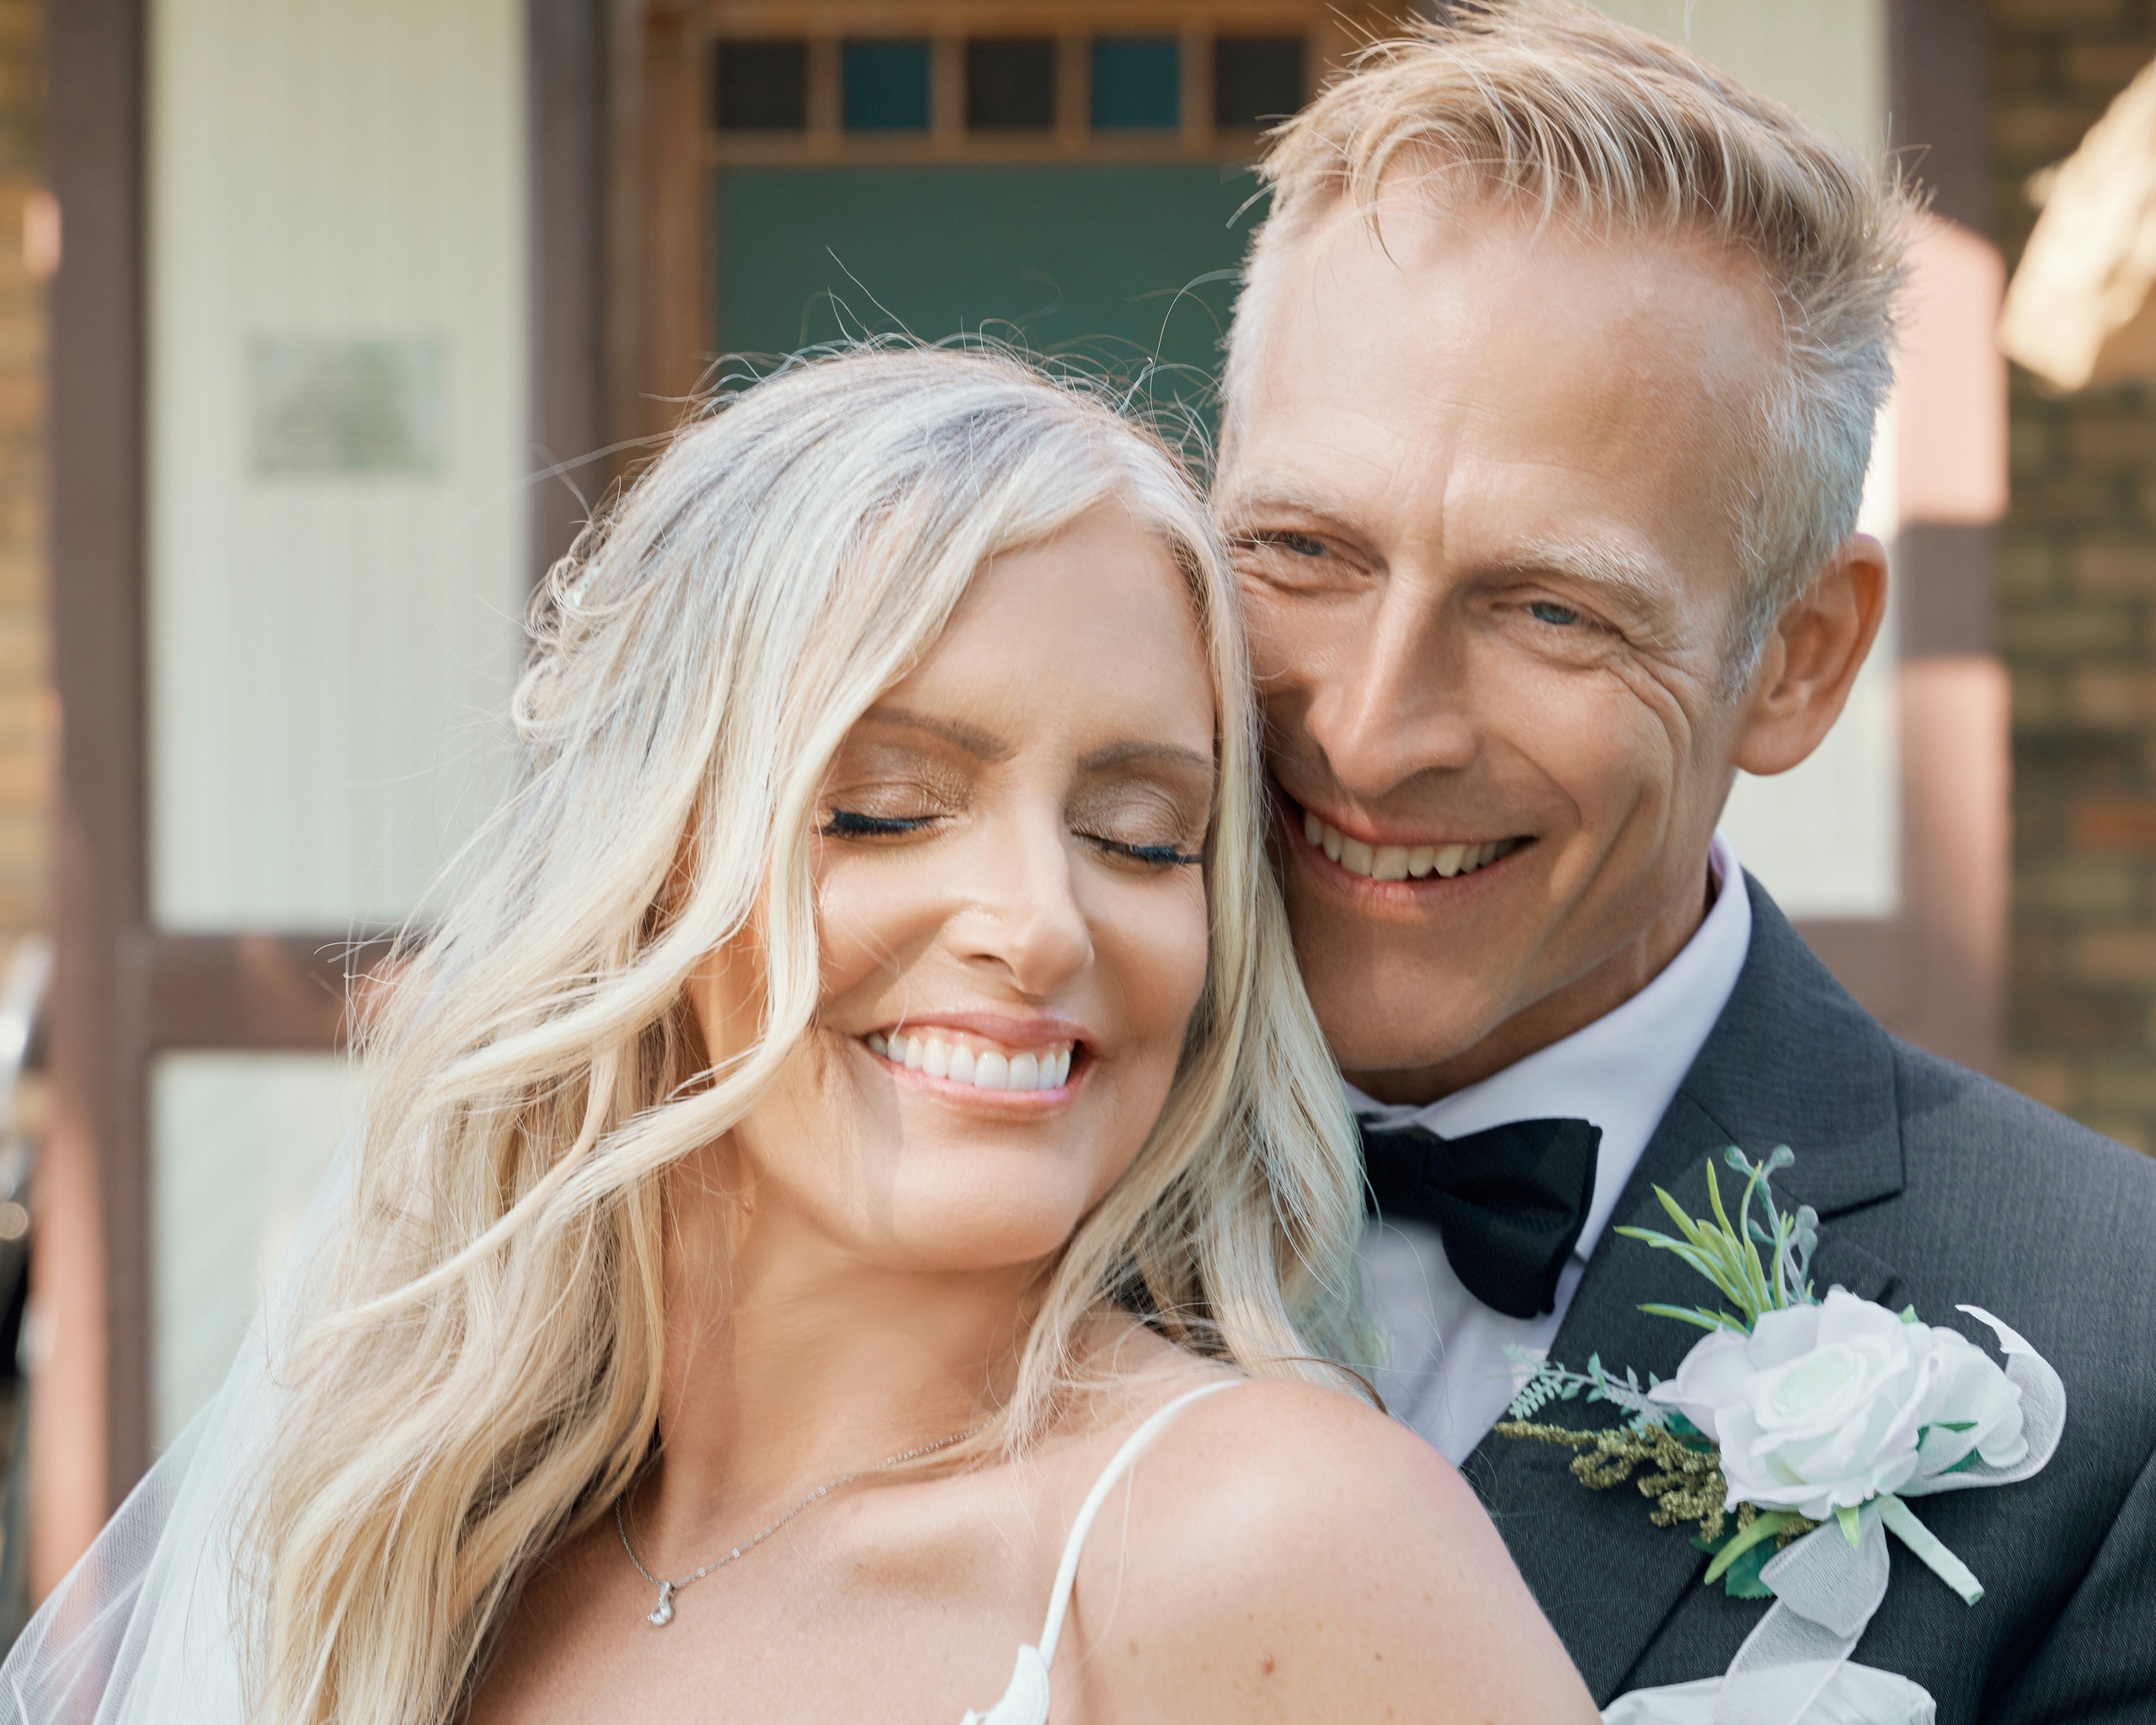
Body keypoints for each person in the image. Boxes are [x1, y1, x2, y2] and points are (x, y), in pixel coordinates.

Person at [3, 348, 1598, 1724]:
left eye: (1137, 835)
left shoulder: (1271, 1543)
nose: (1040, 921)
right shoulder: (432, 1543)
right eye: (887, 809)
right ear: (652, 864)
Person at [1213, 5, 2156, 1719]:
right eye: (1301, 549)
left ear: (1795, 656)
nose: (1366, 729)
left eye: (1547, 607)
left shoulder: (2116, 1356)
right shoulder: (907, 1188)